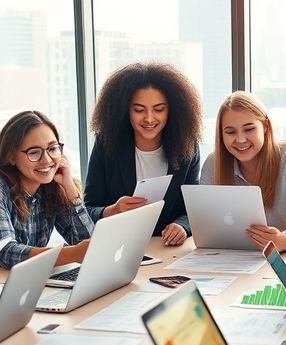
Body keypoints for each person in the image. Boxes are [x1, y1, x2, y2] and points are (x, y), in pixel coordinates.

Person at [84, 62, 202, 246]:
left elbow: (193, 208)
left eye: (159, 109)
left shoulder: (187, 147)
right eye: (139, 110)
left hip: (166, 249)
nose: (149, 118)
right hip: (118, 247)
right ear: (125, 110)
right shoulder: (107, 144)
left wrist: (181, 226)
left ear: (172, 110)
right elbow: (88, 210)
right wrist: (112, 211)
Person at [0, 110, 92, 268]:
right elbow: (6, 253)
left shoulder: (51, 186)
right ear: (11, 156)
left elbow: (87, 245)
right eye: (34, 152)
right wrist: (71, 253)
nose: (47, 160)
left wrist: (71, 191)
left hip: (26, 280)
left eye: (52, 149)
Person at [200, 91, 286, 251]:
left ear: (265, 126)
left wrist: (284, 240)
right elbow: (205, 222)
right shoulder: (213, 163)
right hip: (232, 255)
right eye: (230, 132)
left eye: (249, 129)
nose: (240, 139)